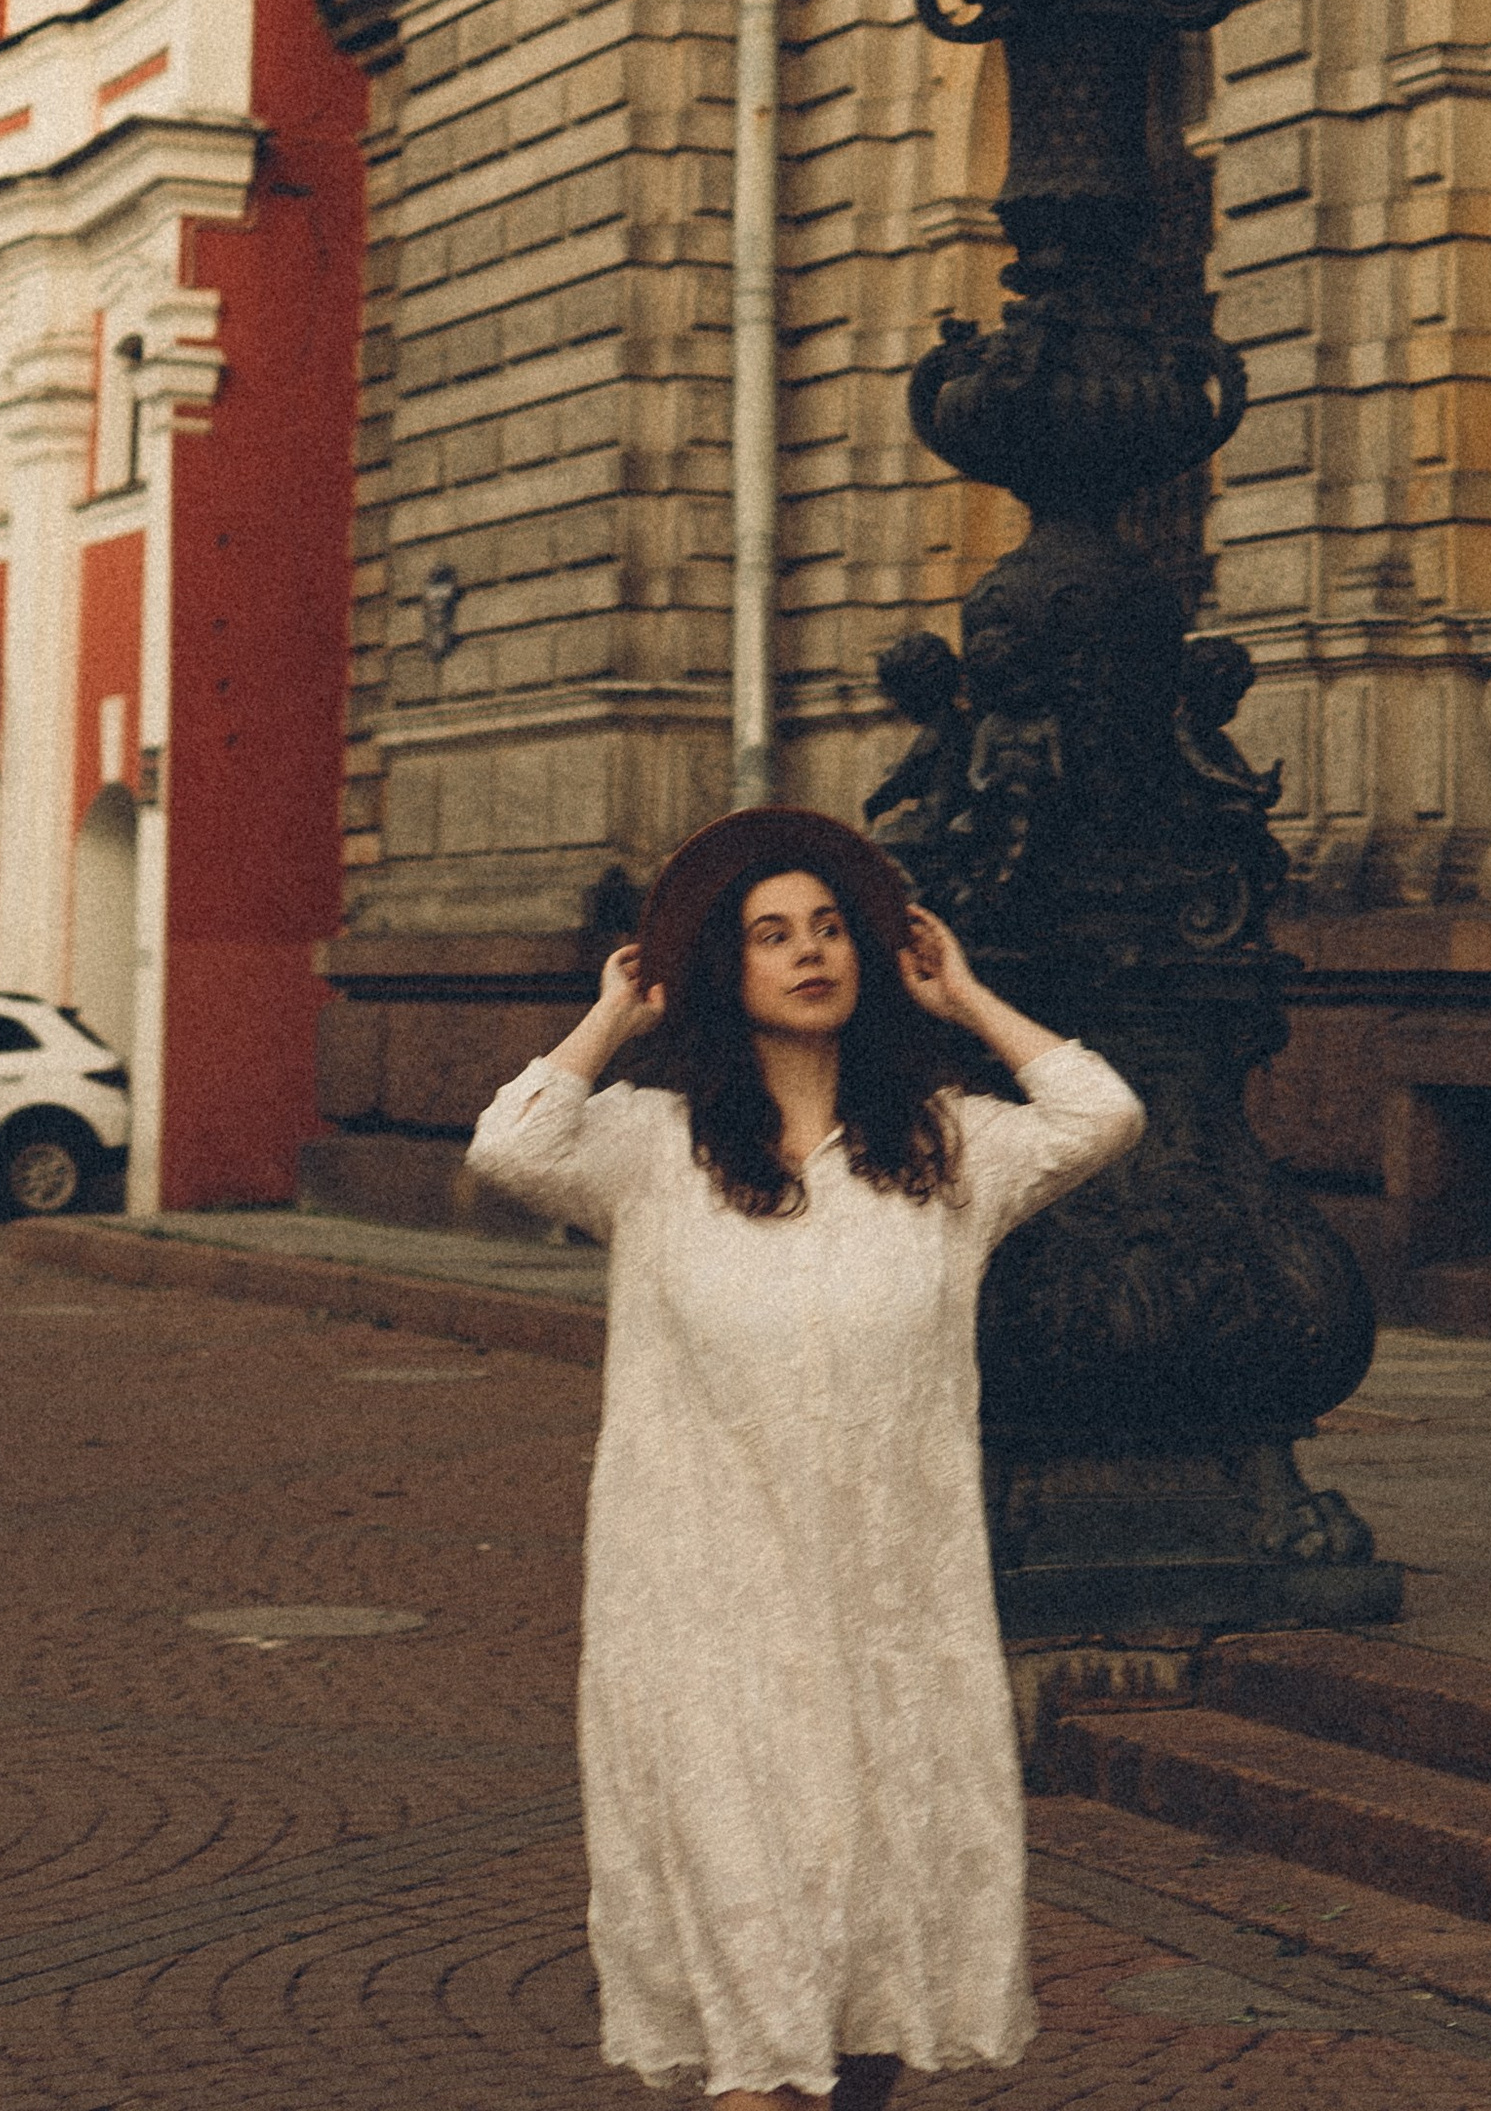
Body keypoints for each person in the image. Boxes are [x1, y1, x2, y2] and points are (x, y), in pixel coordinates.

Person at [465, 804, 1144, 2107]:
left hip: (895, 1630)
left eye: (828, 928)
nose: (809, 952)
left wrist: (966, 997)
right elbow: (509, 1144)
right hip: (708, 1636)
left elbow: (1100, 1113)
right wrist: (613, 1017)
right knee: (756, 1990)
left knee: (874, 1974)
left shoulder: (946, 1148)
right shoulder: (649, 1151)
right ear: (723, 969)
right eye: (771, 935)